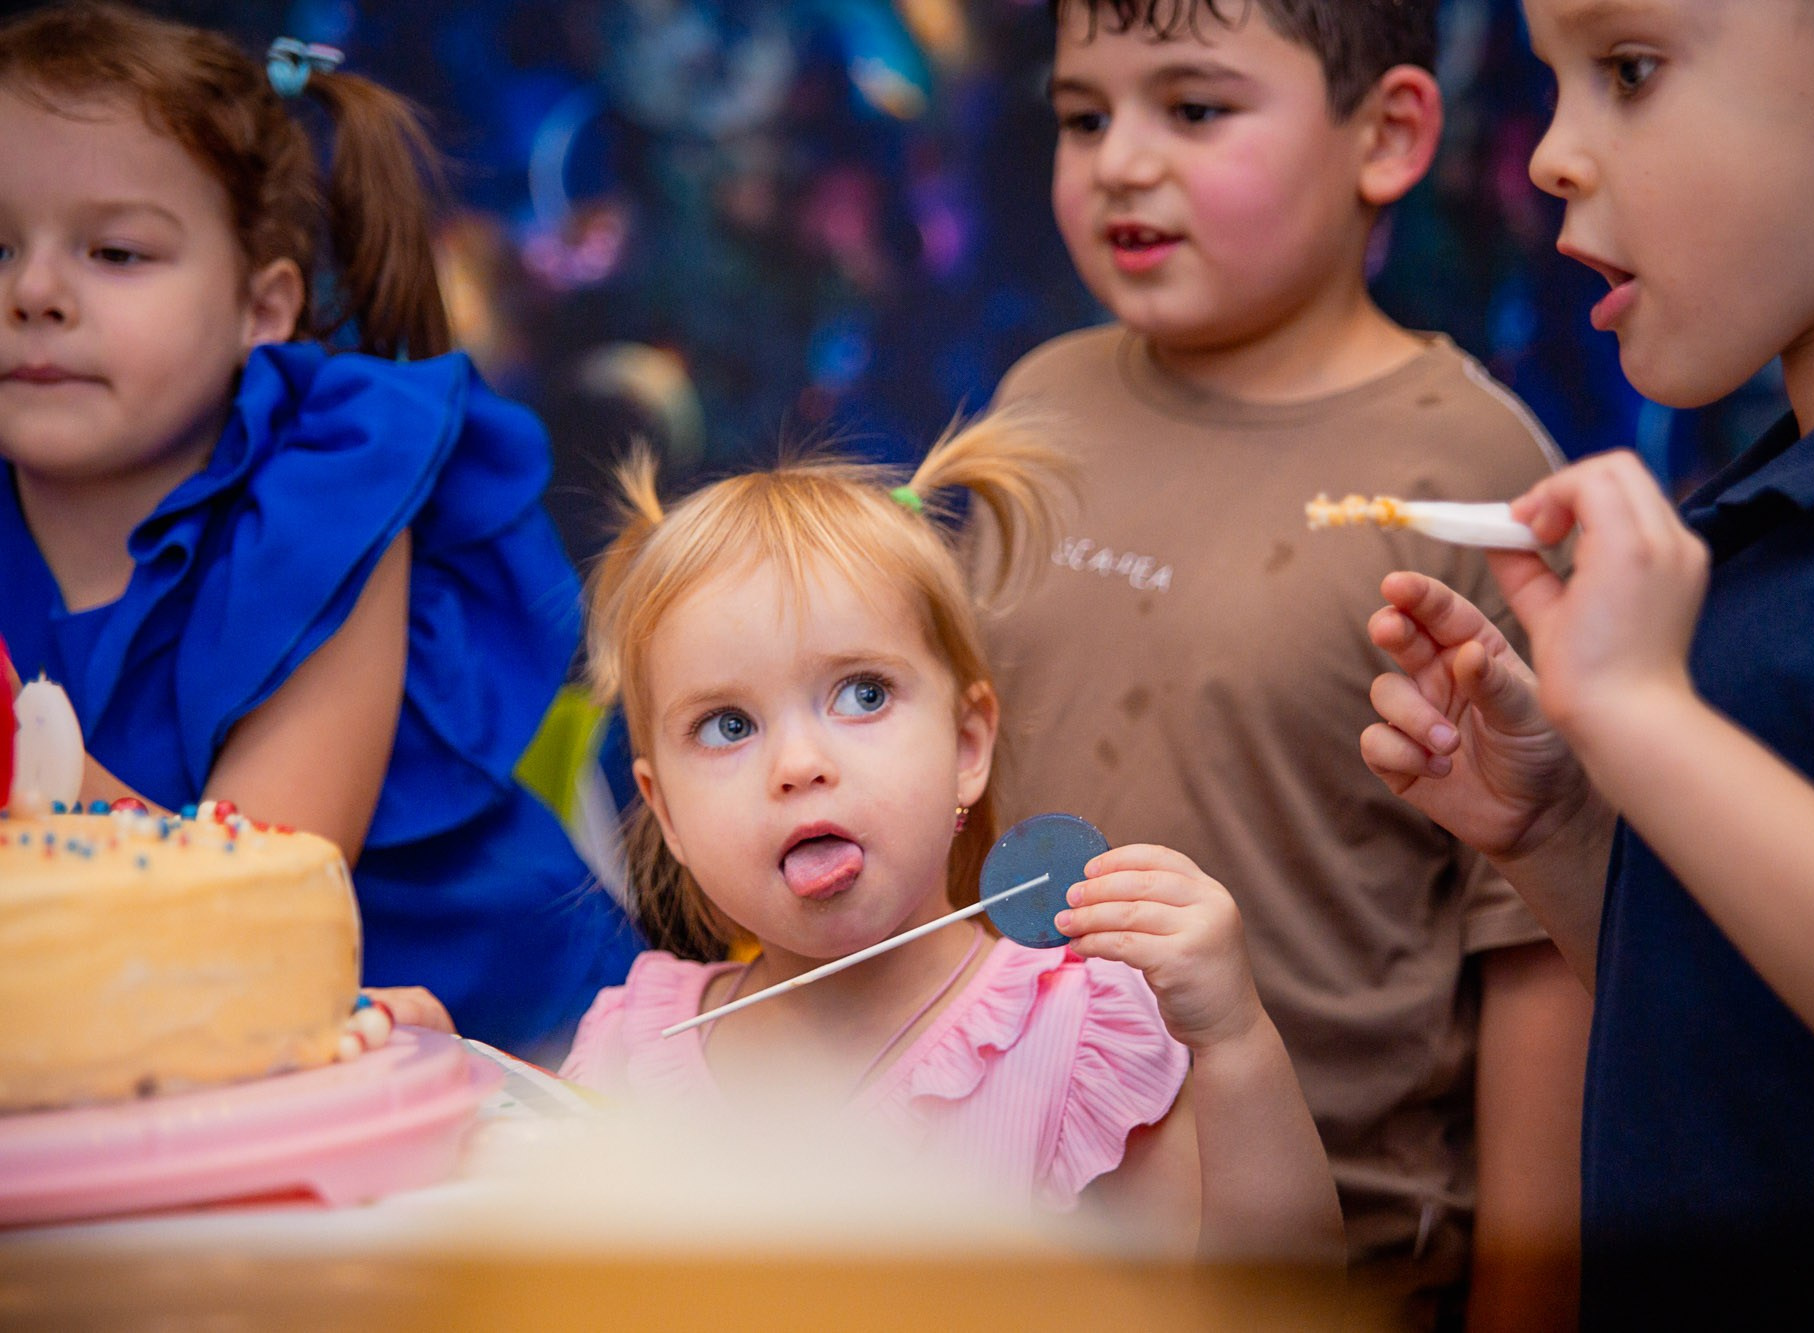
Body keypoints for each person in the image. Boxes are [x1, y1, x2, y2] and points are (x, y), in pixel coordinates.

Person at [1361, 0, 1814, 1323]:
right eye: (1555, 81)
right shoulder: (1773, 506)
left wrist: (1650, 725)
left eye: (1630, 71)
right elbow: (1771, 1043)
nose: (1548, 154)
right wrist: (1573, 847)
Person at [974, 0, 1593, 1320]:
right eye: (1084, 115)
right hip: (1009, 1232)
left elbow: (1537, 949)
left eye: (1194, 109)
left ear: (1389, 134)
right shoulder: (1035, 404)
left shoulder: (1474, 484)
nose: (1121, 162)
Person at [0, 3, 639, 1056]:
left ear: (263, 308)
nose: (32, 292)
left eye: (114, 252)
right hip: (140, 1053)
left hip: (491, 1049)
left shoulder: (326, 495)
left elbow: (266, 888)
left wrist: (27, 756)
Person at [559, 415, 1342, 1258]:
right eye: (727, 724)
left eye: (861, 693)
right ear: (666, 812)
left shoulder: (1081, 1038)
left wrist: (1233, 1041)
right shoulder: (627, 1056)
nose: (798, 763)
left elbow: (1266, 1303)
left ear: (968, 745)